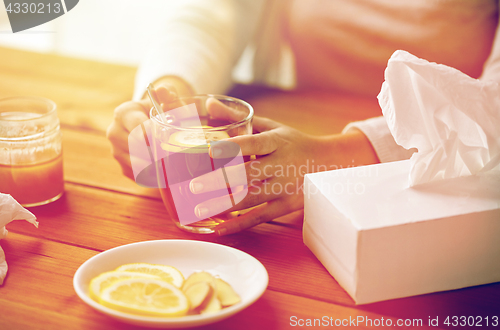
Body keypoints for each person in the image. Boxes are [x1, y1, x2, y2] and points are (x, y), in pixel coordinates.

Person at [107, 0, 500, 235]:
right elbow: (217, 11)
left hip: (453, 183)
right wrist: (165, 96)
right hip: (307, 120)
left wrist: (335, 157)